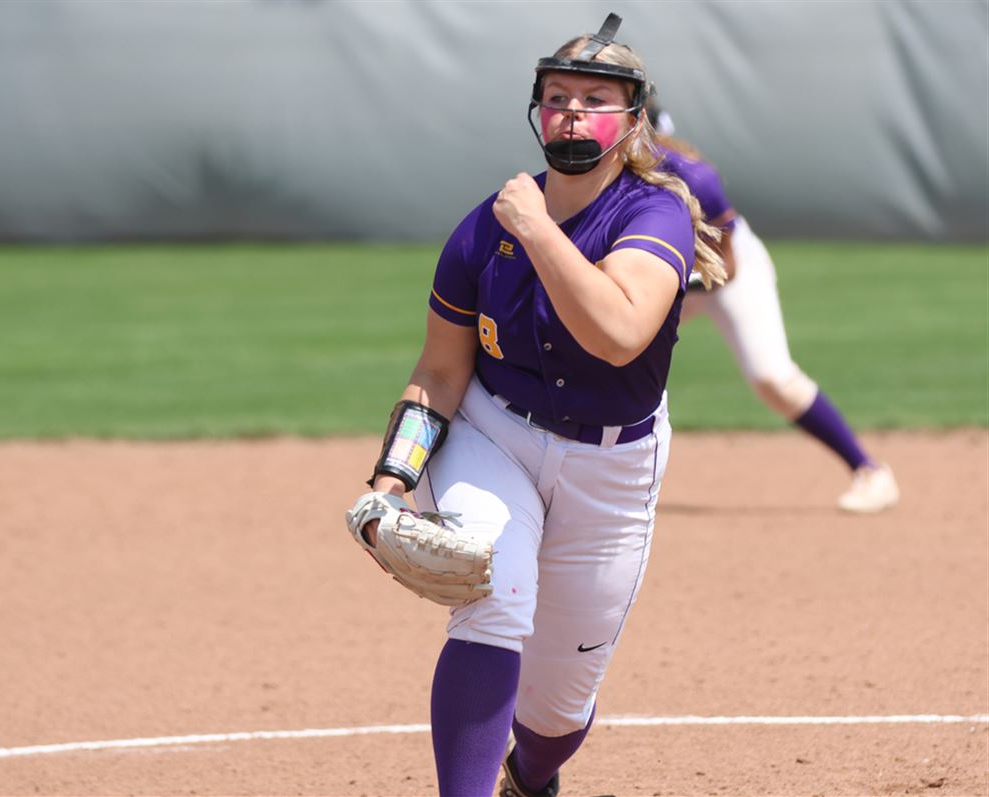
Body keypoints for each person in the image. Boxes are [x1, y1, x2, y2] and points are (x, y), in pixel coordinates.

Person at [345, 14, 727, 796]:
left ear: (633, 119)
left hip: (613, 465)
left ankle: (528, 775)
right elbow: (439, 375)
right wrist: (388, 483)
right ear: (537, 111)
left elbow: (619, 333)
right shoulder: (482, 228)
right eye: (557, 96)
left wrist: (536, 225)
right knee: (494, 599)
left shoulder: (653, 214)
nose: (573, 112)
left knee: (556, 712)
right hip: (495, 435)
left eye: (595, 99)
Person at [648, 101, 899, 513]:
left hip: (724, 276)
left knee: (772, 378)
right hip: (670, 279)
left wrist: (666, 289)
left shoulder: (692, 176)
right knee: (607, 351)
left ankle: (870, 472)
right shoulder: (598, 178)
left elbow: (725, 268)